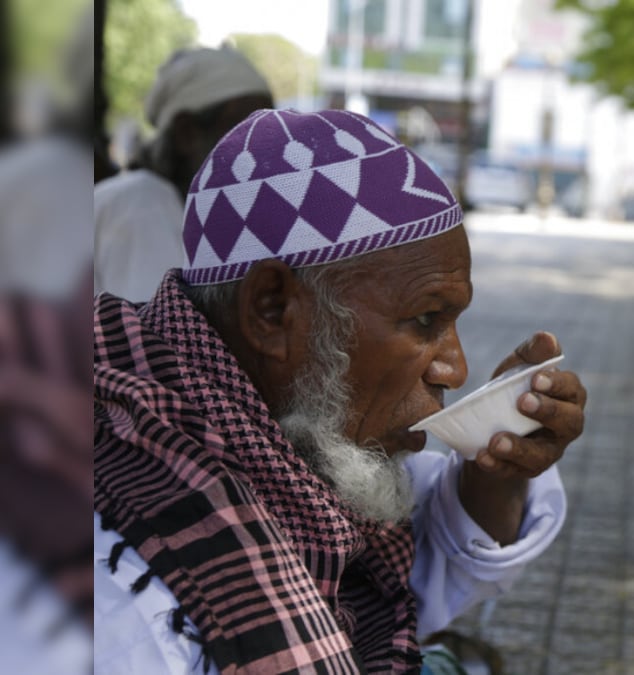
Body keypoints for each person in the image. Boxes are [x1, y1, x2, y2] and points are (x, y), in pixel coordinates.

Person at [93, 110, 586, 673]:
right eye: (426, 320)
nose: (455, 368)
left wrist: (493, 474)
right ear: (272, 310)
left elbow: (401, 573)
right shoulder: (130, 605)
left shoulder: (277, 434)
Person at [94, 47, 274, 303]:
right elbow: (155, 336)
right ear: (186, 133)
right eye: (245, 131)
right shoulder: (142, 202)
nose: (263, 148)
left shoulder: (190, 214)